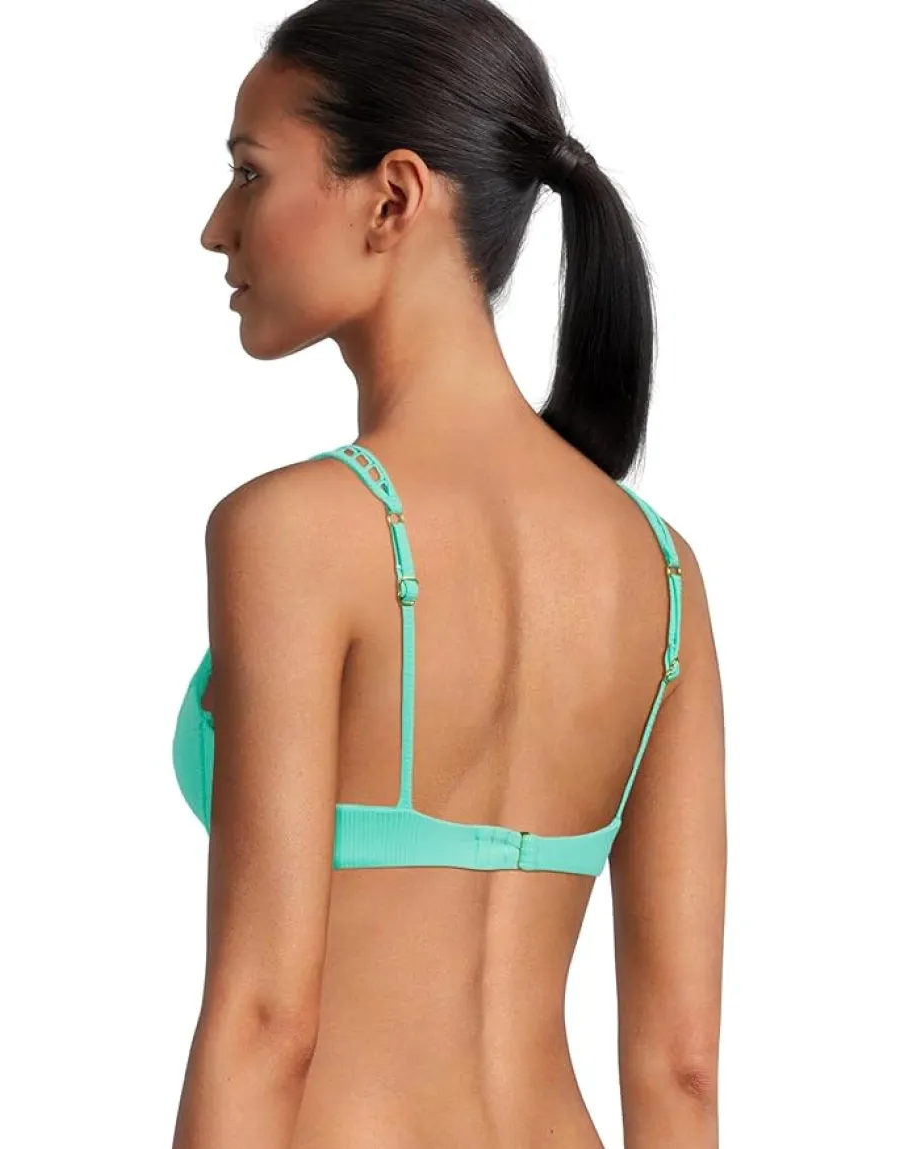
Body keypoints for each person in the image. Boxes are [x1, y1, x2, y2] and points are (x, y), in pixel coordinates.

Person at [173, 1, 726, 1147]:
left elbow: (266, 1021)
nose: (216, 228)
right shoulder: (661, 572)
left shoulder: (293, 533)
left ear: (392, 197)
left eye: (249, 172)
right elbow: (678, 1070)